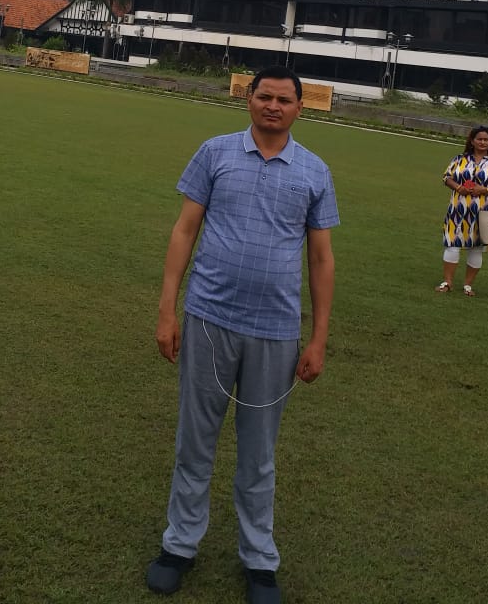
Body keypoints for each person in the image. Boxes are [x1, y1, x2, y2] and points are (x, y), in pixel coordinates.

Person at [147, 66, 339, 604]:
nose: (273, 106)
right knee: (195, 442)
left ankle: (259, 559)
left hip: (275, 332)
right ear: (248, 98)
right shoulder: (215, 153)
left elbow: (321, 259)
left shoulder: (314, 171)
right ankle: (179, 545)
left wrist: (318, 338)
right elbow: (185, 230)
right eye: (264, 96)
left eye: (284, 99)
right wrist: (167, 310)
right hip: (210, 319)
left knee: (259, 454)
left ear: (300, 107)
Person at [436, 125, 488, 297]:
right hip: (458, 211)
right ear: (472, 141)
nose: (483, 142)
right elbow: (446, 177)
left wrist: (484, 190)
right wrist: (458, 187)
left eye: (486, 139)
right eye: (479, 139)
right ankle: (447, 282)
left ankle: (467, 285)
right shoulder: (459, 159)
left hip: (483, 213)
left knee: (476, 248)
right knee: (452, 244)